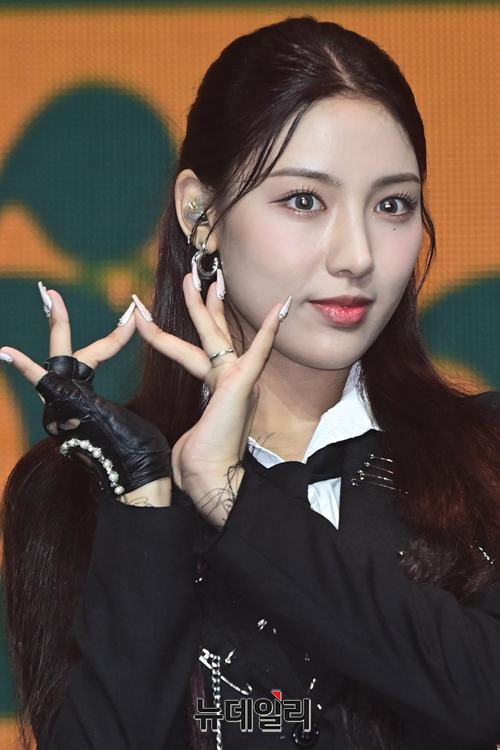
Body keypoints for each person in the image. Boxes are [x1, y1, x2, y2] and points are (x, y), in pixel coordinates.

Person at [1, 14, 500, 750]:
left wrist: (234, 499)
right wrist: (147, 507)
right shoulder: (78, 492)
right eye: (305, 201)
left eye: (392, 204)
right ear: (201, 214)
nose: (358, 255)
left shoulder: (485, 459)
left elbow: (481, 694)